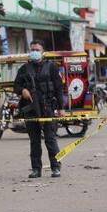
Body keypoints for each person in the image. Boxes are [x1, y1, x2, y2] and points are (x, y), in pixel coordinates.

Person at [14, 40, 65, 178]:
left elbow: (59, 88)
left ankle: (56, 167)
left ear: (43, 52)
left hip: (48, 107)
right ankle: (36, 169)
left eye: (37, 49)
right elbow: (16, 86)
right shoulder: (24, 69)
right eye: (32, 49)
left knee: (50, 139)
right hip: (31, 109)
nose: (34, 52)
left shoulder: (52, 67)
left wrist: (61, 108)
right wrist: (22, 90)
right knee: (34, 141)